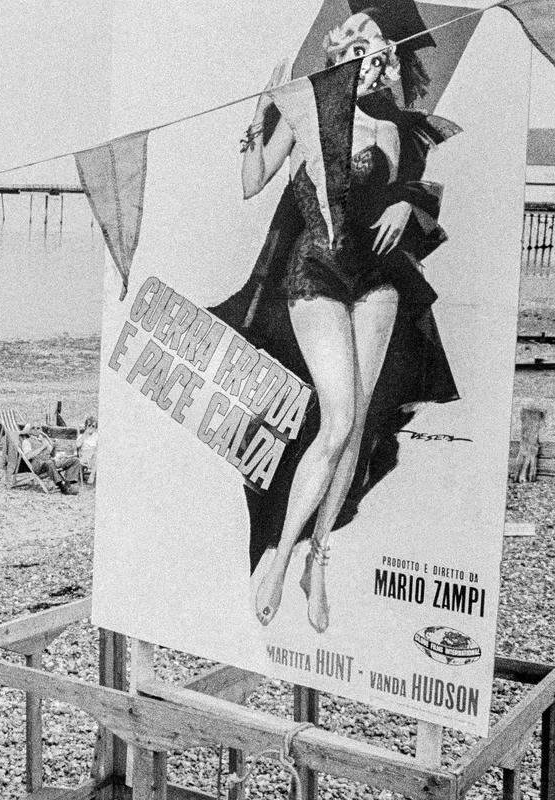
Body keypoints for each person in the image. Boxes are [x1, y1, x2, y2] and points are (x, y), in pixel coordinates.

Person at [211, 5, 459, 632]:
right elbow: (252, 182)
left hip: (378, 281)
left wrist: (405, 202)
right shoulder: (310, 113)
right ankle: (278, 557)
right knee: (338, 418)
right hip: (317, 271)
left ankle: (317, 563)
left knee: (360, 422)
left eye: (384, 48)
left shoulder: (402, 129)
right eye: (365, 46)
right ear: (345, 56)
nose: (377, 58)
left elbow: (408, 188)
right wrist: (256, 123)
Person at [19, 423, 82, 494]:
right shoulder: (26, 441)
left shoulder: (43, 440)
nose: (36, 429)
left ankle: (69, 483)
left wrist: (54, 447)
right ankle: (61, 485)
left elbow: (52, 454)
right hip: (37, 464)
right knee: (49, 462)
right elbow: (28, 456)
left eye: (38, 428)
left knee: (75, 460)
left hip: (50, 461)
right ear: (28, 431)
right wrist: (42, 447)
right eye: (33, 428)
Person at [76, 416, 99, 484]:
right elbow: (78, 445)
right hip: (84, 456)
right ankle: (92, 475)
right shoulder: (82, 436)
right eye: (89, 425)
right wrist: (85, 434)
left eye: (93, 426)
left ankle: (92, 475)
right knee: (95, 454)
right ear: (86, 426)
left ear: (95, 428)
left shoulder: (97, 436)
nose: (91, 427)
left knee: (97, 454)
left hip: (94, 456)